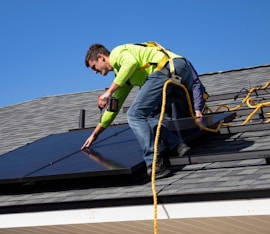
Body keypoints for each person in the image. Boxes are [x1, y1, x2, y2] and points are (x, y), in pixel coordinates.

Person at [81, 42, 206, 178]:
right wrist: (95, 135)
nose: (95, 72)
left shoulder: (117, 53)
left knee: (134, 114)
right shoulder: (123, 78)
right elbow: (113, 109)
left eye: (94, 67)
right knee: (146, 116)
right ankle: (177, 145)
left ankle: (154, 164)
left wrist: (109, 92)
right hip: (176, 78)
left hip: (167, 68)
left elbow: (130, 63)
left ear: (101, 57)